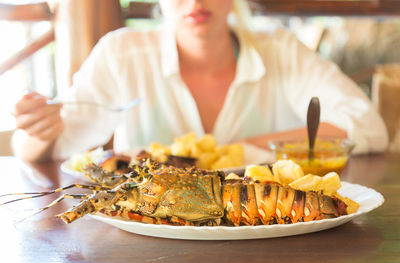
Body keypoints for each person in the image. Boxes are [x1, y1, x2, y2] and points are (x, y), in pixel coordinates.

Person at [12, 0, 388, 162]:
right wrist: (37, 128)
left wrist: (239, 148)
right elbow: (45, 147)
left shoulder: (280, 49)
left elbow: (369, 127)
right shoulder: (121, 54)